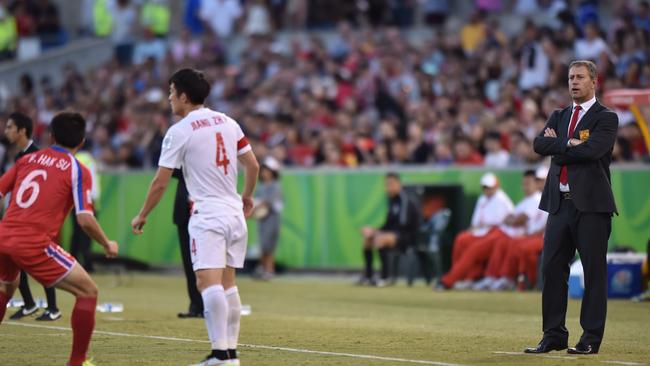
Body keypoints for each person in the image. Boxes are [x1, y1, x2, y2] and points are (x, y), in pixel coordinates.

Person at [131, 68, 259, 366]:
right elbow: (253, 166)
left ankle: (219, 355)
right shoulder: (229, 122)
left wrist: (142, 215)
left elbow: (161, 182)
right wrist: (247, 197)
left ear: (184, 96)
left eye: (171, 92)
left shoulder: (180, 130)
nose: (169, 98)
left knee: (207, 282)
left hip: (208, 215)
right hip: (233, 213)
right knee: (228, 285)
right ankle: (231, 356)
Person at [0, 111, 119, 366]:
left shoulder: (26, 160)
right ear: (82, 142)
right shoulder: (78, 169)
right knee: (88, 291)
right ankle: (77, 362)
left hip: (3, 236)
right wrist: (107, 243)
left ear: (51, 136)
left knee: (6, 288)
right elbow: (85, 219)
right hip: (33, 243)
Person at [526, 60, 618, 355]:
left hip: (592, 206)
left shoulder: (607, 117)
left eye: (579, 77)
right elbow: (539, 145)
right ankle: (553, 334)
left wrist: (560, 147)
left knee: (593, 272)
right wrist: (571, 145)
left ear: (594, 81)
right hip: (559, 205)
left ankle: (590, 338)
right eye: (570, 77)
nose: (573, 82)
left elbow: (593, 151)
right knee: (551, 269)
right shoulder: (559, 114)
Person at [3, 112, 61, 321]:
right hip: (19, 220)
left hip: (35, 222)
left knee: (40, 263)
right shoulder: (19, 156)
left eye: (10, 127)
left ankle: (53, 308)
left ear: (22, 131)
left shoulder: (37, 156)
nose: (6, 130)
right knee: (14, 259)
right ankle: (28, 303)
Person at [438, 172, 513, 290]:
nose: (487, 190)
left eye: (489, 187)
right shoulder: (482, 199)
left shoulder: (501, 199)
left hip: (496, 233)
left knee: (473, 250)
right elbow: (476, 222)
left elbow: (499, 223)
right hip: (482, 232)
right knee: (461, 239)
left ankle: (449, 280)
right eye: (485, 187)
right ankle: (463, 277)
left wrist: (479, 228)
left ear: (496, 186)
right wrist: (473, 229)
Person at [358, 172, 420, 287]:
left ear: (399, 184)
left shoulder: (405, 200)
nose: (388, 187)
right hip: (395, 235)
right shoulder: (391, 201)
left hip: (408, 237)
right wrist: (373, 231)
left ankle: (385, 277)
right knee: (367, 239)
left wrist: (379, 233)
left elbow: (403, 225)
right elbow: (388, 225)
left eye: (391, 184)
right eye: (386, 184)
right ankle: (368, 276)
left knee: (380, 239)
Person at [173, 167, 204, 318]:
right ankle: (196, 305)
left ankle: (209, 305)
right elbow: (170, 169)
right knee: (188, 262)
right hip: (184, 214)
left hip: (205, 213)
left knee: (206, 263)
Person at [69, 146, 101, 273]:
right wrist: (92, 200)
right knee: (87, 234)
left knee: (76, 234)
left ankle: (72, 262)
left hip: (74, 202)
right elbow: (92, 183)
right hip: (88, 203)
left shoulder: (73, 159)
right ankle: (87, 264)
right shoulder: (89, 160)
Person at [252, 156, 283, 281]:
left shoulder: (275, 186)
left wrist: (254, 208)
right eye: (263, 170)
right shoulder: (260, 186)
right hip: (262, 220)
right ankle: (263, 268)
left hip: (272, 219)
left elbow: (267, 202)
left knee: (269, 245)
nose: (265, 173)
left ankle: (269, 270)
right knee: (264, 245)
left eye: (267, 170)